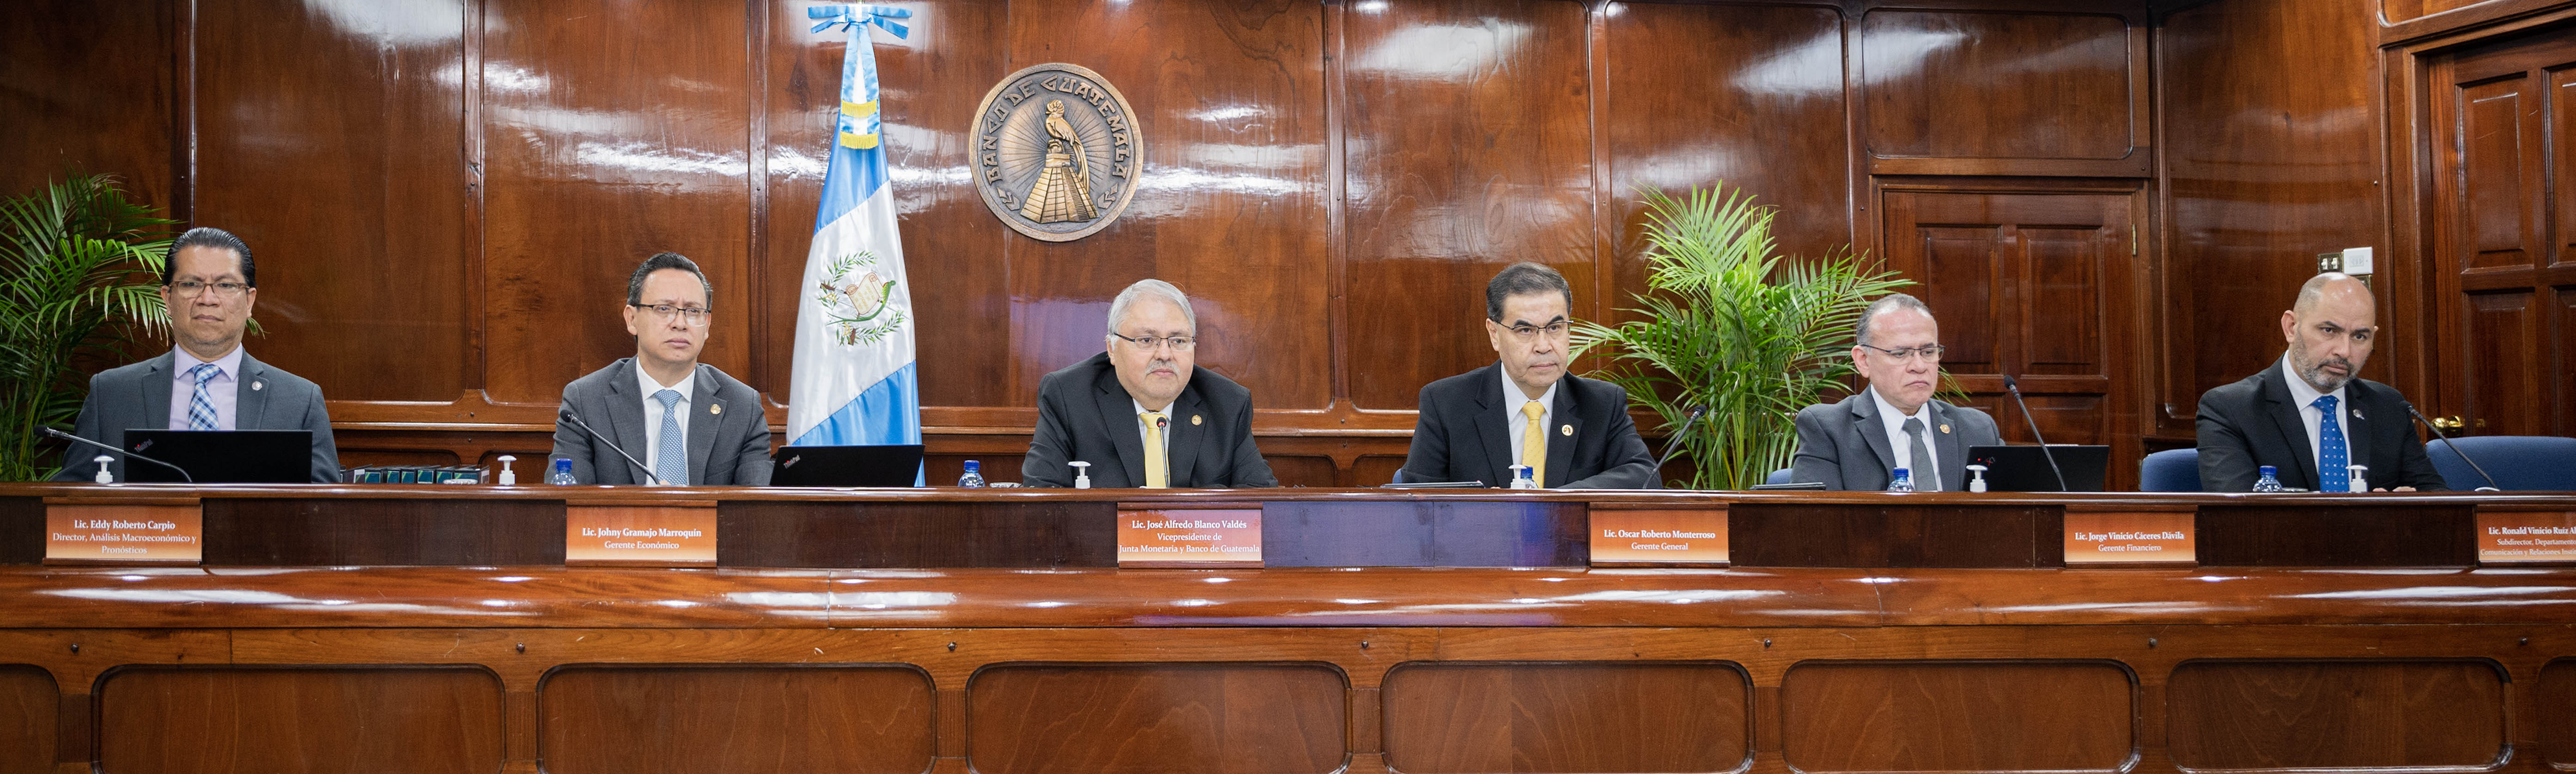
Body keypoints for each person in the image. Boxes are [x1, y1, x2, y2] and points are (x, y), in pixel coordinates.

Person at [54, 227, 342, 482]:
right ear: (167, 298)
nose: (208, 299)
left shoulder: (299, 400)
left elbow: (324, 511)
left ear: (250, 300)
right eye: (191, 284)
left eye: (226, 285)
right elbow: (69, 502)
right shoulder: (112, 394)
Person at [1399, 262, 1655, 488]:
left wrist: (1560, 502)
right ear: (1494, 334)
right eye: (1525, 330)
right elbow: (1418, 502)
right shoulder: (1447, 403)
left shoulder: (1602, 403)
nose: (1544, 345)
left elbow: (1645, 476)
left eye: (1555, 328)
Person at [2196, 272, 2446, 492]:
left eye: (2359, 336)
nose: (2345, 351)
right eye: (2329, 331)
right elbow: (2237, 518)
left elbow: (2437, 496)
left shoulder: (2388, 406)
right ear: (2291, 327)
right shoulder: (2231, 409)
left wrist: (2412, 507)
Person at [1023, 279, 1276, 488]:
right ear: (1112, 348)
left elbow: (1261, 502)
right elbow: (1044, 497)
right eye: (1147, 340)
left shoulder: (1228, 403)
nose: (1165, 354)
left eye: (1178, 341)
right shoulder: (1069, 397)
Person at [551, 253, 772, 485]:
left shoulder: (742, 406)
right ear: (632, 319)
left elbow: (756, 509)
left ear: (707, 325)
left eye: (693, 311)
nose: (680, 323)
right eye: (664, 309)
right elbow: (568, 506)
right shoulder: (586, 402)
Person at [1790, 293, 2002, 491]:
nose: (1919, 366)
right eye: (1901, 354)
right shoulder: (1829, 430)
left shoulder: (1978, 430)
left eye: (1928, 352)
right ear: (1863, 360)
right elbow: (1817, 522)